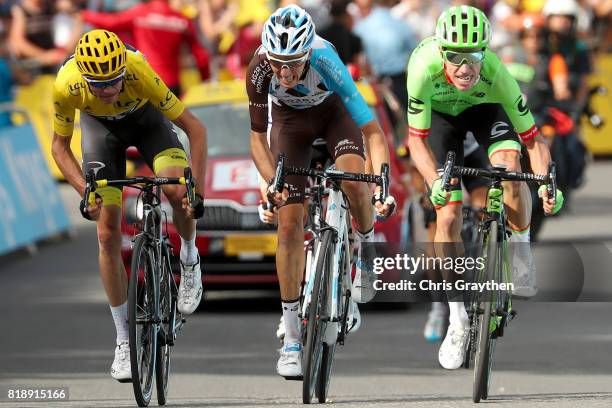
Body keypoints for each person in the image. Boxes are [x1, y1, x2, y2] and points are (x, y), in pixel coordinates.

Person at [405, 5, 564, 370]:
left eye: (474, 55)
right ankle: (457, 319)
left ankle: (520, 252)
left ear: (485, 51)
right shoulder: (422, 68)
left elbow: (534, 142)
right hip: (443, 120)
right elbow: (416, 141)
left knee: (510, 168)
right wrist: (435, 183)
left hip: (487, 110)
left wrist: (546, 186)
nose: (465, 67)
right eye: (456, 57)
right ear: (442, 52)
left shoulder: (495, 72)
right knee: (447, 216)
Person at [246, 5, 395, 379]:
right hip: (289, 124)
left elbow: (374, 133)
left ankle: (365, 249)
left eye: (293, 62)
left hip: (334, 117)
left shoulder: (326, 60)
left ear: (308, 52)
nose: (284, 71)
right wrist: (270, 186)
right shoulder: (259, 69)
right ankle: (292, 336)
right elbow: (257, 140)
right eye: (278, 61)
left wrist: (380, 184)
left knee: (353, 181)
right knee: (288, 224)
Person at [50, 29, 207, 381]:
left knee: (178, 193)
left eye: (114, 82)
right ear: (84, 78)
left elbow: (195, 130)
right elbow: (59, 147)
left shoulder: (137, 69)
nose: (107, 91)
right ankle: (124, 339)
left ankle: (189, 258)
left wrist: (197, 188)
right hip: (100, 134)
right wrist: (84, 192)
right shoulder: (66, 84)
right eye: (98, 85)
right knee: (106, 234)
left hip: (147, 123)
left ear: (124, 70)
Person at [80, 0, 211, 96]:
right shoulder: (181, 20)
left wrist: (83, 14)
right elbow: (202, 56)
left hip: (144, 80)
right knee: (172, 130)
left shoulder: (140, 13)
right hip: (172, 85)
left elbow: (111, 22)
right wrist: (206, 82)